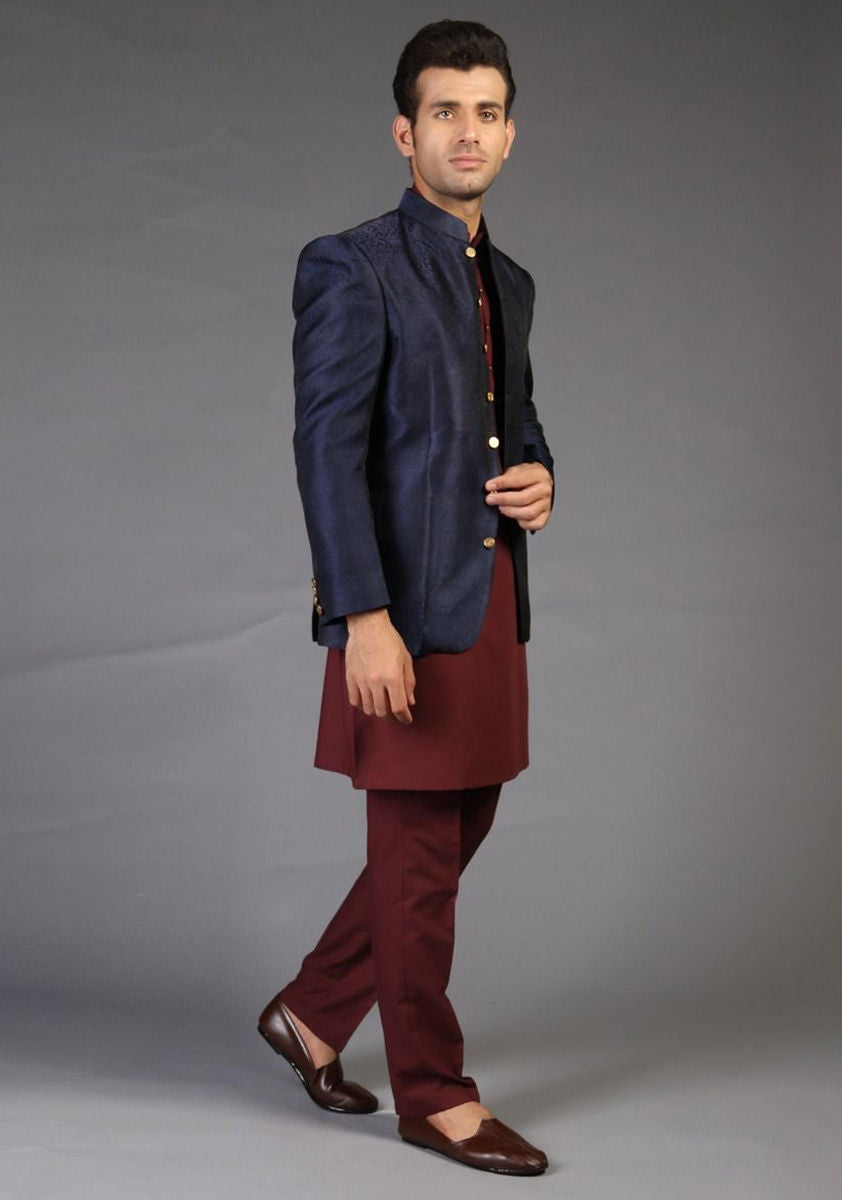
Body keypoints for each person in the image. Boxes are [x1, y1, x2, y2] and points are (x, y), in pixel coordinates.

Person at [257, 19, 555, 1176]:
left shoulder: (509, 283)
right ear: (404, 132)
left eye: (485, 112)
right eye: (444, 111)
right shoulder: (352, 264)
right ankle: (434, 1095)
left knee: (461, 819)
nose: (466, 132)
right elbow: (325, 452)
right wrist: (362, 619)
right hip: (398, 609)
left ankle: (311, 1012)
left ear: (509, 134)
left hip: (485, 594)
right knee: (420, 849)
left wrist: (540, 476)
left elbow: (512, 423)